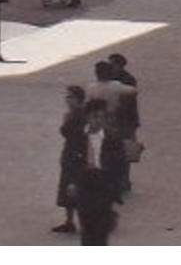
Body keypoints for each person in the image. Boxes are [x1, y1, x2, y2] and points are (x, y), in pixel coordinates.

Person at [90, 60, 138, 198]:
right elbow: (133, 91)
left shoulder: (92, 87)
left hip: (96, 123)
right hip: (113, 123)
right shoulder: (116, 86)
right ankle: (119, 183)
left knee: (97, 153)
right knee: (117, 154)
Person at [75, 100, 120, 244]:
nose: (98, 121)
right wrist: (71, 182)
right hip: (84, 184)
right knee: (86, 227)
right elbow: (70, 160)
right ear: (87, 117)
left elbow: (118, 165)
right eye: (95, 117)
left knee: (101, 229)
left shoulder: (111, 138)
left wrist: (113, 188)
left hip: (103, 184)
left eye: (101, 117)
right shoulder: (77, 136)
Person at [52, 86, 88, 234]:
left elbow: (70, 134)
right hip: (74, 154)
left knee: (74, 187)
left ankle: (72, 221)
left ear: (77, 99)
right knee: (73, 188)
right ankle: (72, 221)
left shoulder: (78, 115)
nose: (67, 100)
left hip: (76, 155)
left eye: (70, 97)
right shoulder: (77, 114)